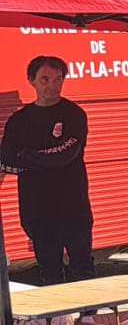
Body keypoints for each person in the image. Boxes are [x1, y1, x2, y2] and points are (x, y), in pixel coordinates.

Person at [1, 56, 93, 285]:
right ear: (31, 80)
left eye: (57, 79)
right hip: (37, 210)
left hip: (73, 208)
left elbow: (66, 154)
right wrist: (38, 159)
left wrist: (29, 156)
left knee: (82, 267)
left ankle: (90, 319)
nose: (52, 86)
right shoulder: (19, 120)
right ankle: (58, 321)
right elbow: (5, 159)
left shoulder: (74, 114)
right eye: (45, 79)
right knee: (49, 272)